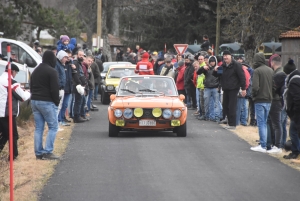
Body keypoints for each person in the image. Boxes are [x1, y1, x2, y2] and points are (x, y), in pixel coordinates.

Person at [30, 50, 61, 160]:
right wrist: (56, 101)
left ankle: (38, 153)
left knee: (39, 128)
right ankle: (48, 152)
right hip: (47, 101)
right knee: (53, 126)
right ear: (51, 59)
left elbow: (31, 86)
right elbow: (54, 89)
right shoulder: (52, 71)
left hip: (34, 101)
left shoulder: (35, 70)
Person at [0, 64, 30, 160]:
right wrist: (28, 92)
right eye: (16, 72)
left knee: (5, 134)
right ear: (12, 71)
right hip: (7, 112)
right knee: (13, 135)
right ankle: (13, 156)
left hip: (1, 112)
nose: (16, 75)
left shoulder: (1, 79)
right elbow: (22, 97)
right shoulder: (11, 82)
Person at [213, 50, 246, 130]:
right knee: (226, 106)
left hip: (234, 88)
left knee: (232, 106)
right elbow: (218, 75)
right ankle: (228, 122)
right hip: (225, 88)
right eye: (224, 56)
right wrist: (215, 70)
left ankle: (233, 124)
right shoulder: (223, 66)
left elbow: (242, 77)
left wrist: (243, 88)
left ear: (231, 56)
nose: (225, 57)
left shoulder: (236, 65)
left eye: (227, 55)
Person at [250, 52, 273, 153]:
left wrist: (253, 95)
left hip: (260, 99)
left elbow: (255, 87)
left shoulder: (257, 71)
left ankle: (262, 145)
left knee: (261, 123)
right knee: (265, 122)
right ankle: (267, 143)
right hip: (269, 99)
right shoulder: (270, 70)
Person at [282, 59, 300, 159]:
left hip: (297, 112)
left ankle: (295, 152)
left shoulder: (294, 81)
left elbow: (297, 98)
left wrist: (295, 112)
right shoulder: (296, 77)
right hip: (296, 111)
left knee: (293, 132)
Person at [267, 55, 285, 154]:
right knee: (279, 123)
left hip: (276, 101)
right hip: (281, 101)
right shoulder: (282, 72)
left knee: (276, 124)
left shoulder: (278, 75)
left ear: (272, 63)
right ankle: (278, 144)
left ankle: (277, 145)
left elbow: (274, 89)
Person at [197, 56, 220, 122]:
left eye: (213, 62)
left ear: (215, 62)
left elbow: (221, 77)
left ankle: (217, 117)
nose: (212, 63)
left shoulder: (218, 68)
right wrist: (202, 68)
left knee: (216, 104)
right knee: (206, 103)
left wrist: (219, 86)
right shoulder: (207, 69)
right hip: (207, 87)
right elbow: (198, 72)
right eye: (210, 62)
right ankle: (206, 116)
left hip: (215, 88)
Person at [55, 50, 68, 127]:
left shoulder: (61, 65)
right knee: (57, 107)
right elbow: (57, 77)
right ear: (61, 57)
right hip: (59, 89)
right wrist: (59, 86)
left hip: (62, 88)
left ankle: (56, 124)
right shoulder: (57, 65)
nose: (66, 59)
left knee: (59, 107)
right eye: (65, 57)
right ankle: (55, 124)